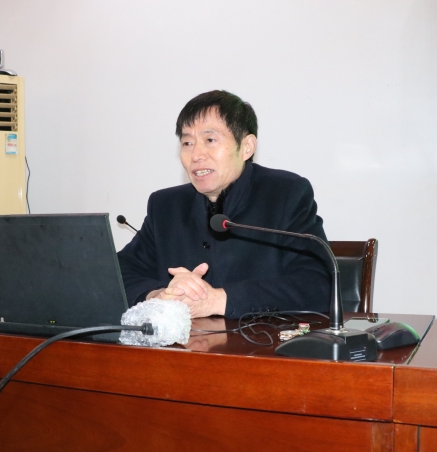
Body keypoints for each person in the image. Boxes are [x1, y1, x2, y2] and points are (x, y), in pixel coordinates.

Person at [118, 90, 331, 318]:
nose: (196, 154)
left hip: (259, 339)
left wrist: (219, 300)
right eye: (187, 142)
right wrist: (158, 296)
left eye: (210, 140)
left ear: (247, 147)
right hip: (184, 340)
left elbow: (318, 285)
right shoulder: (166, 206)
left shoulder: (285, 194)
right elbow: (117, 273)